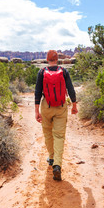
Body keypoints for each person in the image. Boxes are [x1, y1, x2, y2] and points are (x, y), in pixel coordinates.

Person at [34, 50, 78, 181]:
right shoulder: (64, 71)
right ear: (57, 59)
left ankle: (51, 158)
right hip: (60, 106)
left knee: (48, 134)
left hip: (46, 106)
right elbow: (71, 89)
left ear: (47, 60)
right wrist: (74, 105)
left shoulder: (42, 72)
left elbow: (37, 92)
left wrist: (37, 111)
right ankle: (57, 165)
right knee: (59, 136)